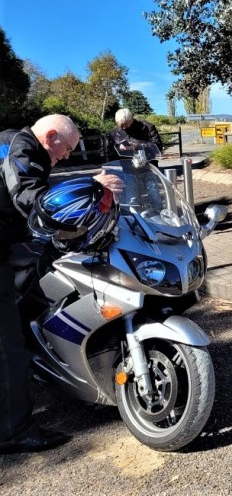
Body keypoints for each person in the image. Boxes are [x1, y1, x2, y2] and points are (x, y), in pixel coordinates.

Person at [0, 114, 123, 454]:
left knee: (37, 275)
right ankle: (13, 431)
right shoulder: (21, 148)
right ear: (50, 135)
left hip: (8, 240)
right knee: (8, 345)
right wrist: (92, 184)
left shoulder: (15, 142)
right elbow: (29, 197)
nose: (67, 156)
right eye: (67, 148)